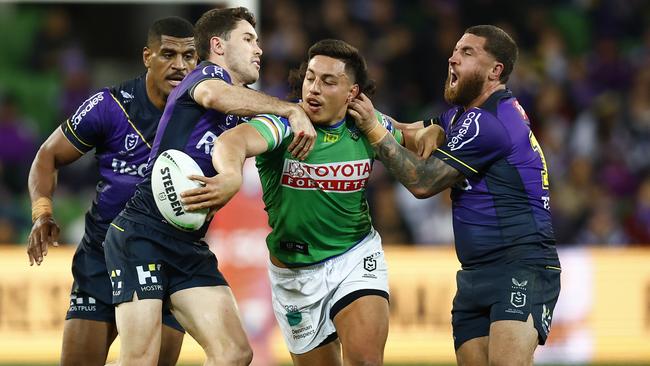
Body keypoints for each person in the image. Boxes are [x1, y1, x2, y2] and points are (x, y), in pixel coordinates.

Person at [182, 39, 437, 366]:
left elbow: (409, 133)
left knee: (365, 360)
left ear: (352, 93)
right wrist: (231, 174)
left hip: (354, 257)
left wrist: (433, 131)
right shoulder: (284, 124)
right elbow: (233, 140)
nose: (314, 88)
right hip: (293, 275)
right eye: (310, 78)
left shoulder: (365, 126)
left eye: (329, 81)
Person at [102, 7, 316, 365]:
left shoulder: (238, 112)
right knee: (140, 357)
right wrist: (289, 110)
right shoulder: (206, 75)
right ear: (218, 45)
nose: (258, 49)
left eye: (258, 41)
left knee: (234, 352)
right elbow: (215, 95)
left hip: (187, 245)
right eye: (248, 39)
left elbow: (235, 142)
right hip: (143, 235)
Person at [348, 25, 562, 366]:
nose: (452, 57)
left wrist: (372, 129)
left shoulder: (490, 121)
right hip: (474, 273)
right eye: (455, 49)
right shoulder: (466, 116)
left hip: (520, 266)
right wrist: (354, 111)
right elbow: (405, 132)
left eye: (467, 52)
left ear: (495, 71)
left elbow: (422, 181)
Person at [27, 16, 197, 366]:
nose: (179, 65)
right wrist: (42, 212)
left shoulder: (207, 113)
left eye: (189, 56)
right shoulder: (111, 105)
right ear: (147, 56)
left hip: (167, 259)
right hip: (102, 257)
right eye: (168, 54)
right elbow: (47, 155)